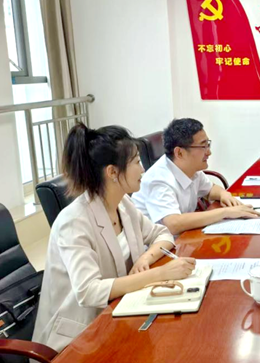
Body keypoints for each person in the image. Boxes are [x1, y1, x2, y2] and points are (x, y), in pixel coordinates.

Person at [33, 124, 196, 353]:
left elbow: (162, 234)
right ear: (112, 172)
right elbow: (89, 291)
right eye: (136, 162)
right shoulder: (74, 222)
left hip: (120, 313)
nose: (143, 169)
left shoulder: (122, 203)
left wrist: (145, 259)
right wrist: (160, 274)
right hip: (79, 337)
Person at [133, 118, 260, 235]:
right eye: (203, 146)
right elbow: (173, 224)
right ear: (179, 153)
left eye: (208, 144)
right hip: (158, 247)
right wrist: (226, 212)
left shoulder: (191, 168)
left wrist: (224, 194)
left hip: (184, 237)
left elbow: (210, 189)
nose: (209, 152)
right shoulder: (158, 180)